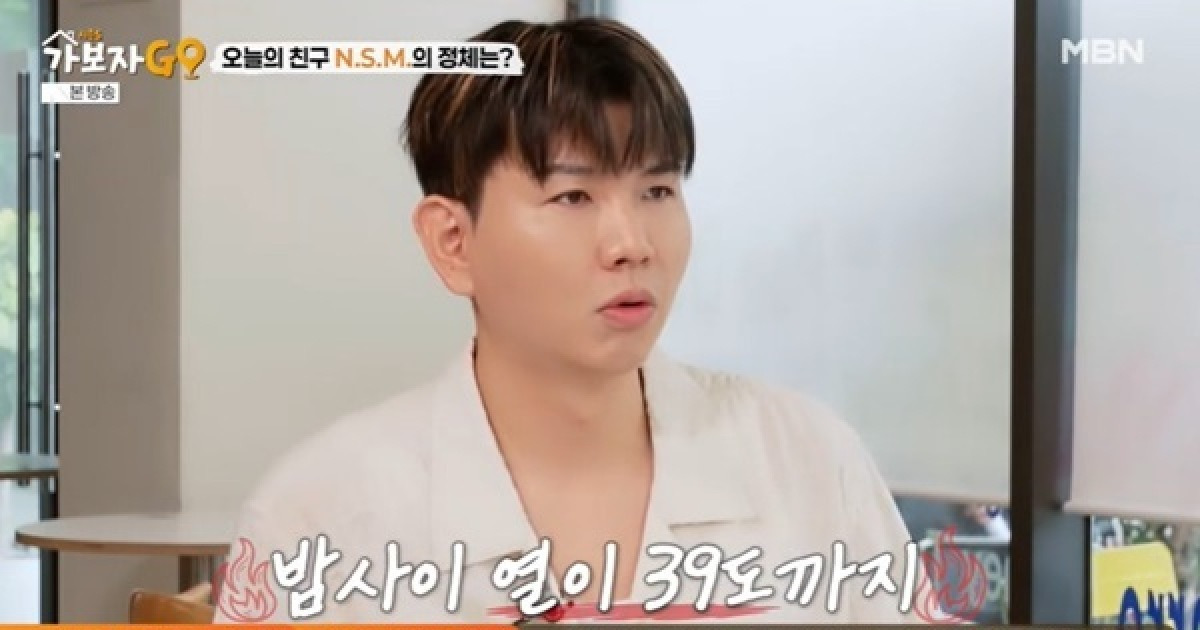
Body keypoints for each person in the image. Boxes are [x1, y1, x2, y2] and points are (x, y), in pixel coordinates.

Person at [213, 17, 921, 624]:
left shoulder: (808, 462)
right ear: (453, 242)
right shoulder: (322, 516)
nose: (632, 244)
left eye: (657, 190)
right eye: (573, 197)